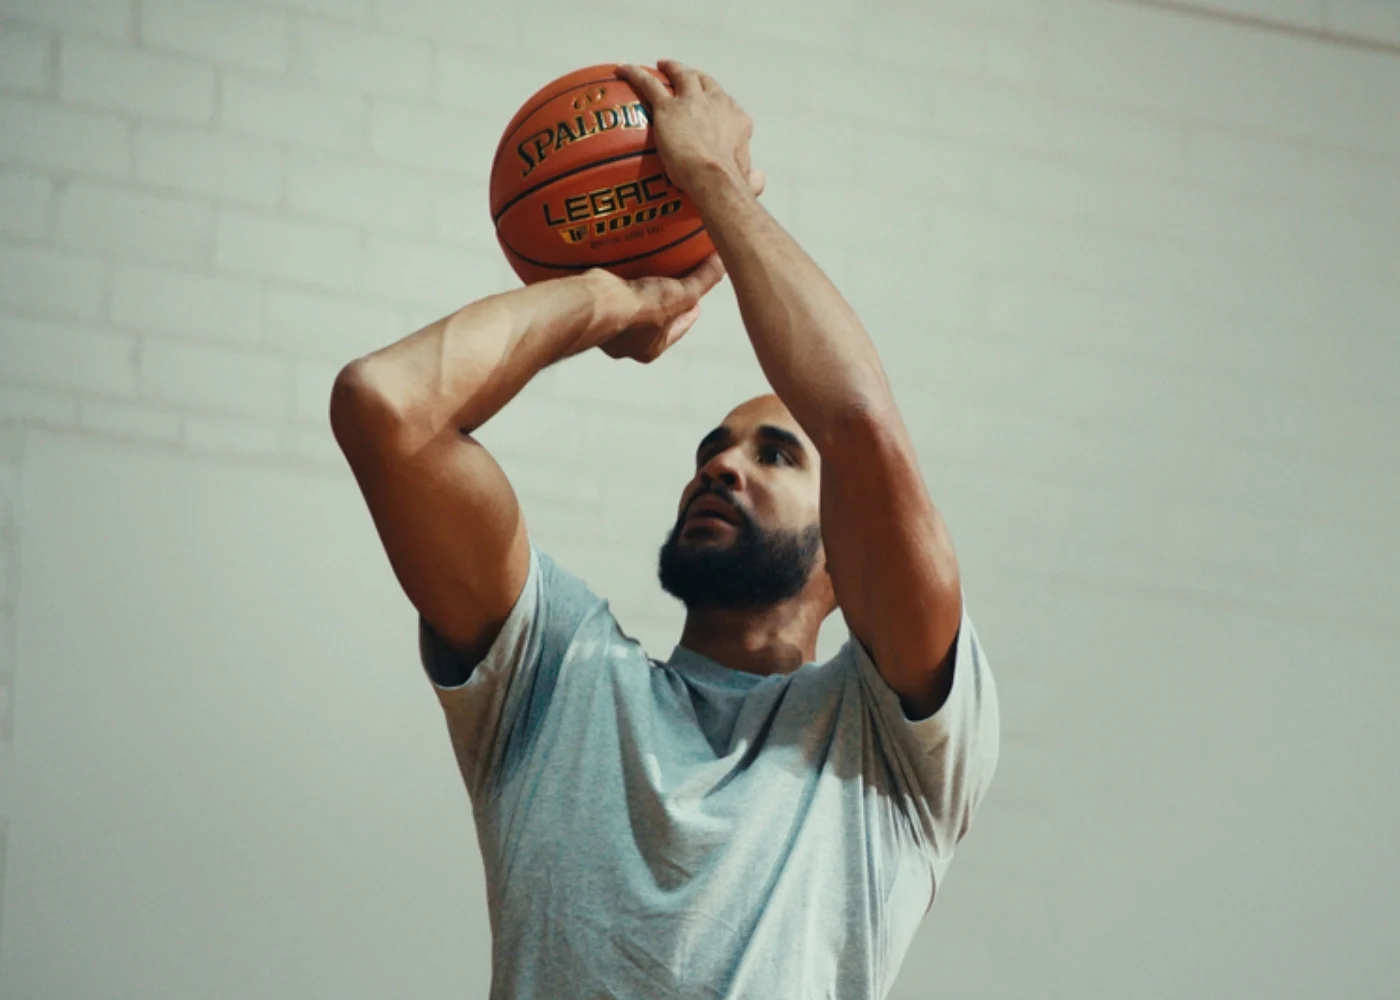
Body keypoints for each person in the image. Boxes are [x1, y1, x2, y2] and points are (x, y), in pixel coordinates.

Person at [330, 60, 1000, 1000]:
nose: (721, 466)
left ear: (849, 553)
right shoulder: (554, 678)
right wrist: (620, 301)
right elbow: (383, 404)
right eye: (712, 449)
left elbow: (858, 427)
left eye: (776, 455)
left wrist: (712, 182)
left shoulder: (889, 741)